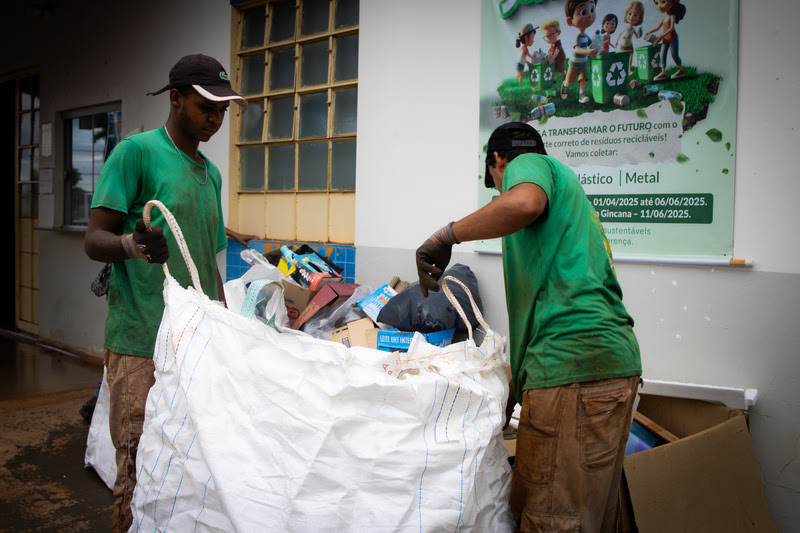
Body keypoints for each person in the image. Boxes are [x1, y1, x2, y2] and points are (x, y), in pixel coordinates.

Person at [415, 121, 642, 532]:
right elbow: (542, 304)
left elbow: (523, 203)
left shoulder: (529, 164)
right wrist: (516, 385)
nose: (502, 193)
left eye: (497, 183)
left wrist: (447, 235)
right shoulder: (569, 201)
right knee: (589, 516)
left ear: (498, 160)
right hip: (605, 364)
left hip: (572, 367)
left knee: (553, 518)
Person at [83, 53, 247, 533]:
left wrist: (225, 329)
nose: (215, 119)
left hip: (193, 346)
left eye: (222, 111)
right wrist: (130, 245)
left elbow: (207, 263)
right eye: (205, 107)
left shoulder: (210, 174)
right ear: (175, 98)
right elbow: (94, 239)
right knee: (139, 467)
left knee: (184, 469)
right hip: (141, 343)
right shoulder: (135, 153)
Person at [561, 0, 599, 103]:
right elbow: (577, 49)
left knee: (583, 79)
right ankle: (565, 84)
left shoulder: (586, 36)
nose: (589, 15)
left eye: (592, 10)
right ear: (570, 21)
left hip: (583, 63)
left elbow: (591, 44)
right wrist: (588, 52)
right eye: (583, 12)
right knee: (569, 80)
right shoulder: (578, 36)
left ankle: (582, 95)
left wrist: (597, 45)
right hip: (574, 63)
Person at [645, 0, 686, 80]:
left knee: (675, 56)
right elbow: (657, 27)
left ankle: (681, 70)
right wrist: (649, 32)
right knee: (662, 55)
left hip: (672, 39)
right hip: (665, 40)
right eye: (657, 3)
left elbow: (671, 28)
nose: (659, 6)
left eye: (663, 2)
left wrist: (662, 35)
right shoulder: (665, 16)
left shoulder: (672, 15)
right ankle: (663, 73)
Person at [615, 2, 645, 75]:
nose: (631, 17)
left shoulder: (633, 29)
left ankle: (629, 70)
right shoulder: (627, 29)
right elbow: (621, 34)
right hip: (624, 45)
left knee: (631, 57)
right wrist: (617, 41)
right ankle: (622, 70)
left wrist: (640, 34)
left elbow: (637, 36)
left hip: (630, 45)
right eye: (630, 14)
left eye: (635, 15)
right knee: (623, 58)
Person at [541, 19, 566, 88]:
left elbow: (557, 51)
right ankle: (554, 80)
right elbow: (549, 51)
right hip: (554, 61)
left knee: (562, 69)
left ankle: (564, 76)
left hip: (560, 59)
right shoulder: (552, 45)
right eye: (547, 36)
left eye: (551, 35)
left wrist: (552, 58)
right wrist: (546, 57)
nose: (549, 38)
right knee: (554, 70)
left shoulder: (558, 43)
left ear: (558, 32)